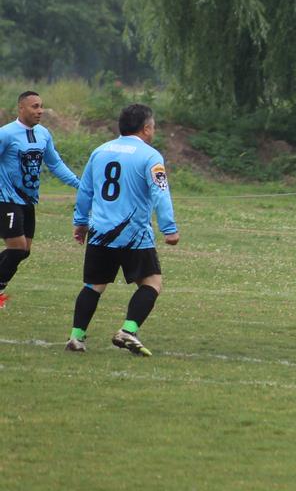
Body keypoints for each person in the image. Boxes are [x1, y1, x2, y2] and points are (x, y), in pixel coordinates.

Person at [66, 104, 178, 356]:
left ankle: (76, 336)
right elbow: (160, 193)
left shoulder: (100, 151)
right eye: (153, 126)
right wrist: (169, 228)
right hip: (133, 235)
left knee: (93, 285)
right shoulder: (150, 156)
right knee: (152, 283)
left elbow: (85, 190)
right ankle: (128, 330)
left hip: (99, 232)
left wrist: (81, 222)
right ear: (146, 128)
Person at [0, 91, 81, 308]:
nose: (40, 111)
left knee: (24, 251)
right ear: (21, 108)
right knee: (17, 248)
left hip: (28, 201)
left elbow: (55, 164)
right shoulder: (6, 134)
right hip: (6, 199)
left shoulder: (43, 134)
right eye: (35, 106)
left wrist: (78, 184)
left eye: (41, 106)